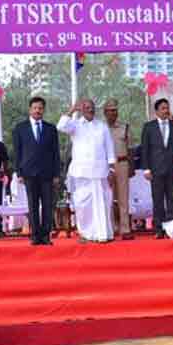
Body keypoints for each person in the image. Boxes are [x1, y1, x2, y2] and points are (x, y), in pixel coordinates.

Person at [58, 98, 116, 244]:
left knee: (103, 202)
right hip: (81, 172)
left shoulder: (102, 126)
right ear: (81, 110)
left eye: (92, 107)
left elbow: (109, 148)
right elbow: (60, 126)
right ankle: (85, 234)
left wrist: (111, 169)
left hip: (100, 172)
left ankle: (103, 234)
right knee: (82, 204)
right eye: (86, 107)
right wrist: (72, 110)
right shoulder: (75, 125)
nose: (90, 109)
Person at [12, 96, 61, 246]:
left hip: (47, 173)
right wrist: (18, 172)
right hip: (28, 173)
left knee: (47, 205)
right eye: (35, 108)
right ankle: (35, 236)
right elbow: (17, 152)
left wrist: (57, 174)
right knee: (32, 205)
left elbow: (55, 153)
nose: (37, 110)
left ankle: (46, 236)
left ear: (43, 110)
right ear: (30, 109)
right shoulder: (20, 128)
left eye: (40, 108)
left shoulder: (50, 128)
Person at [140, 98, 173, 237]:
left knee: (172, 200)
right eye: (163, 108)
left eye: (167, 108)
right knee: (158, 200)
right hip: (155, 169)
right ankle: (158, 229)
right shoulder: (149, 127)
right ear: (156, 111)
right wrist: (146, 169)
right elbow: (145, 149)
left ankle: (171, 230)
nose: (166, 111)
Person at [103, 100, 135, 240]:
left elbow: (130, 149)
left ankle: (125, 228)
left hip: (122, 164)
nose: (113, 113)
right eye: (110, 110)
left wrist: (131, 167)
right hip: (105, 166)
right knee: (107, 197)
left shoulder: (125, 127)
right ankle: (110, 228)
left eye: (115, 110)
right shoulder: (100, 128)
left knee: (123, 198)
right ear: (105, 113)